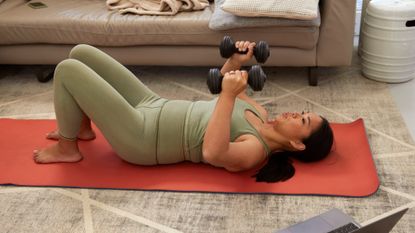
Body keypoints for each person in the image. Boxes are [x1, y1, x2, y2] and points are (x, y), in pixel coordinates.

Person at [33, 42, 334, 183]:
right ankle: (82, 127)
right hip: (153, 103)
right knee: (81, 53)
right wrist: (237, 60)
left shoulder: (255, 150)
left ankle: (67, 147)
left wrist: (228, 95)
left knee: (68, 70)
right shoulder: (257, 110)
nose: (295, 114)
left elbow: (213, 152)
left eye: (303, 121)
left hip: (144, 136)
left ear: (298, 144)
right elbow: (223, 84)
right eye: (302, 112)